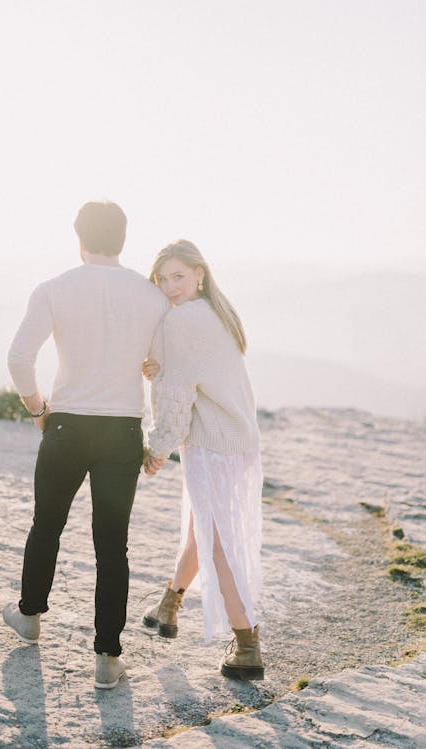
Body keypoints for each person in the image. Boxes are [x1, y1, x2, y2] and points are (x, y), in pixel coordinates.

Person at [3, 201, 168, 689]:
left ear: (79, 237)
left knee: (46, 525)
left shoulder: (54, 289)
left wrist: (38, 410)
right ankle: (107, 658)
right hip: (121, 432)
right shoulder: (151, 296)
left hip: (67, 425)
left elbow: (19, 360)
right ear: (123, 237)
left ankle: (30, 616)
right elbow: (161, 366)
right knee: (112, 546)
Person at [142, 239, 264, 680]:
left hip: (213, 445)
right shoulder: (217, 311)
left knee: (217, 544)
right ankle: (169, 605)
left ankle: (247, 645)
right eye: (162, 279)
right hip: (236, 440)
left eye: (178, 276)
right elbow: (190, 373)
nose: (170, 286)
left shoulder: (183, 320)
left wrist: (156, 448)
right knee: (202, 528)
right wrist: (159, 364)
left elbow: (176, 395)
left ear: (199, 273)